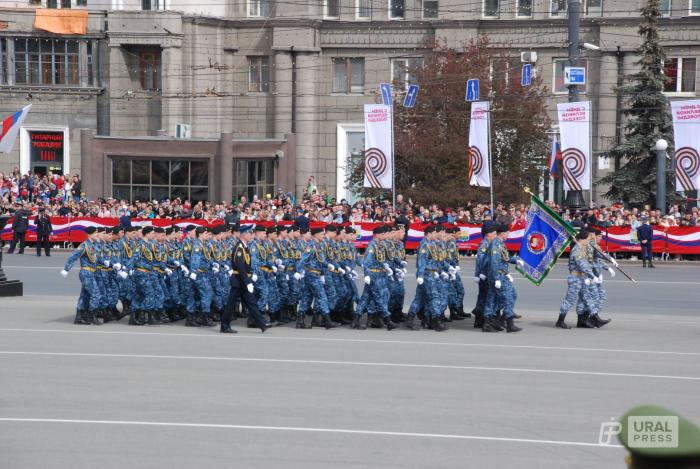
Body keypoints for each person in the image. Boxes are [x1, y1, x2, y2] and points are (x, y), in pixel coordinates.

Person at [221, 224, 268, 333]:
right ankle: (224, 325)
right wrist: (247, 282)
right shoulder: (239, 247)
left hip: (243, 279)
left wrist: (251, 275)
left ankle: (262, 324)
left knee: (252, 302)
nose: (252, 235)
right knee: (231, 304)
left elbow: (246, 265)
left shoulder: (244, 246)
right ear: (244, 234)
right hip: (238, 280)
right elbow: (240, 266)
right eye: (250, 233)